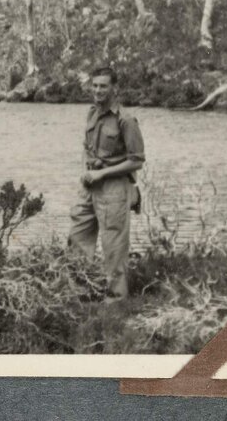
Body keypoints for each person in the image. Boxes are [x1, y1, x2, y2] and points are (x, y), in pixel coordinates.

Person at [68, 65, 145, 301]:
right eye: (95, 85)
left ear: (114, 88)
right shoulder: (92, 113)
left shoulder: (126, 120)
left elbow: (136, 160)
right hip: (89, 186)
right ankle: (79, 296)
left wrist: (102, 174)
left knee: (114, 248)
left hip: (114, 188)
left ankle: (116, 304)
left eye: (103, 86)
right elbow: (85, 147)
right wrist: (85, 171)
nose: (98, 90)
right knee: (78, 239)